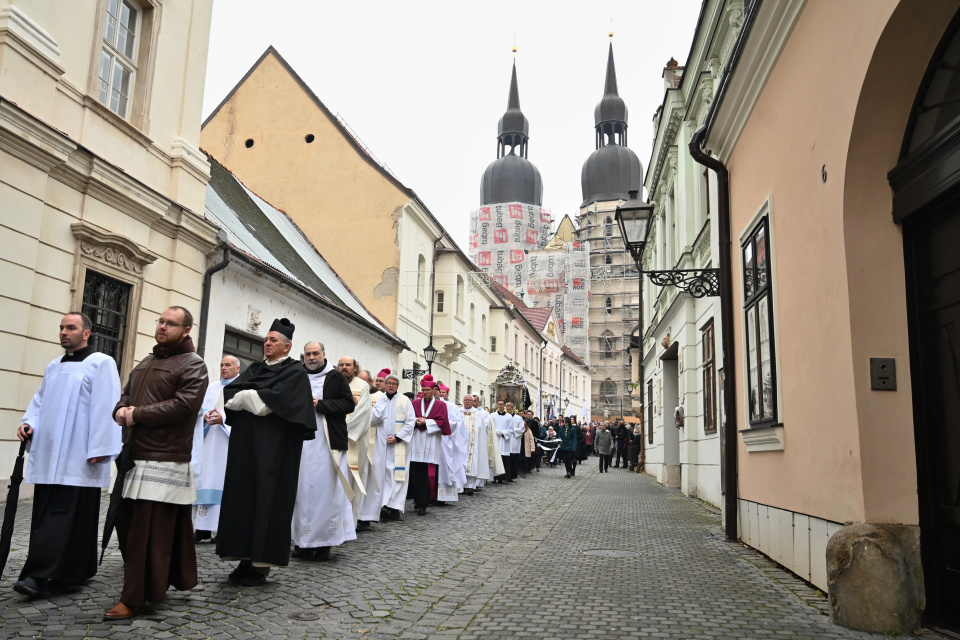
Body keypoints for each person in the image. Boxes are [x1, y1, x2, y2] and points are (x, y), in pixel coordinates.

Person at [108, 306, 208, 620]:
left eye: (171, 323)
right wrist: (120, 410)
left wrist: (135, 414)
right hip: (134, 455)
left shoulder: (194, 365)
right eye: (161, 321)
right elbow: (126, 395)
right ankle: (158, 582)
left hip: (164, 458)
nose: (163, 327)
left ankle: (135, 598)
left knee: (148, 533)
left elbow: (183, 405)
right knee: (128, 526)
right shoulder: (148, 361)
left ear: (187, 329)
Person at [13, 312, 122, 598]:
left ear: (87, 333)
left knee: (69, 516)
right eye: (62, 327)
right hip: (50, 455)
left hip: (80, 457)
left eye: (71, 327)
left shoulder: (101, 363)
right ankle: (71, 572)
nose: (64, 332)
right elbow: (39, 401)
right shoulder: (53, 366)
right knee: (52, 514)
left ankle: (38, 574)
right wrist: (29, 423)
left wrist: (101, 448)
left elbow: (106, 406)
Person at [216, 318, 315, 586]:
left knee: (267, 500)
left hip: (274, 453)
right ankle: (243, 558)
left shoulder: (295, 373)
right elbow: (231, 396)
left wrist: (249, 397)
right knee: (244, 499)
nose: (267, 343)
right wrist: (254, 396)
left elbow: (266, 405)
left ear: (287, 346)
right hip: (245, 449)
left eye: (273, 340)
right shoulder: (256, 368)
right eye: (266, 340)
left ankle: (261, 566)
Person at [291, 341, 356, 559]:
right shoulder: (296, 374)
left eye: (315, 353)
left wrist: (321, 405)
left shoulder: (335, 377)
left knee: (326, 491)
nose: (311, 357)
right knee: (302, 491)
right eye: (308, 354)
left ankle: (325, 542)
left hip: (328, 443)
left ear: (324, 354)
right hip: (301, 442)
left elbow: (348, 404)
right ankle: (302, 541)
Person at [193, 355, 241, 543]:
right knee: (205, 480)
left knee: (223, 482)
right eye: (221, 364)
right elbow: (201, 408)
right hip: (208, 439)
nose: (223, 368)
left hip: (227, 443)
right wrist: (204, 416)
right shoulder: (212, 387)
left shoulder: (242, 388)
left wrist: (224, 421)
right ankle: (203, 528)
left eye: (228, 365)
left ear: (237, 369)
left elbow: (244, 416)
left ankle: (222, 529)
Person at [400, 375, 450, 515]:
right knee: (415, 470)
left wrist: (426, 422)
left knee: (427, 472)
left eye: (427, 389)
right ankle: (417, 500)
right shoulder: (415, 403)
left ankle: (424, 502)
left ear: (434, 390)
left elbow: (443, 421)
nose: (425, 392)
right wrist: (417, 421)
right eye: (423, 389)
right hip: (416, 440)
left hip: (430, 440)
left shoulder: (441, 405)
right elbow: (408, 418)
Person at [368, 374, 415, 520]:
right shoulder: (377, 399)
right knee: (381, 474)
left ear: (397, 386)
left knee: (398, 475)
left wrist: (397, 437)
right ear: (385, 384)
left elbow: (410, 421)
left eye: (394, 383)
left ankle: (395, 507)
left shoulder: (405, 400)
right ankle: (382, 505)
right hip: (380, 444)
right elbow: (371, 419)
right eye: (388, 383)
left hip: (398, 445)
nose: (391, 385)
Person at [339, 356, 372, 526]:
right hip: (333, 438)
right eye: (341, 365)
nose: (344, 367)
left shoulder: (362, 386)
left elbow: (363, 413)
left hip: (354, 439)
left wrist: (341, 429)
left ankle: (349, 523)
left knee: (352, 478)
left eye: (348, 365)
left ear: (355, 368)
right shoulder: (332, 382)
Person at [358, 367, 392, 525]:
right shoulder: (353, 392)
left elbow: (376, 416)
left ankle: (365, 517)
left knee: (372, 481)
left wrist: (356, 414)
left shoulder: (381, 397)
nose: (361, 384)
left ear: (370, 382)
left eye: (364, 381)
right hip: (356, 443)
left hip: (374, 445)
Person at [436, 382, 465, 504]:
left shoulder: (451, 406)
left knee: (444, 468)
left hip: (445, 440)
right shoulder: (424, 404)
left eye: (440, 391)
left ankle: (443, 496)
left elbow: (457, 423)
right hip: (429, 440)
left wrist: (437, 424)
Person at [490, 400, 513, 483]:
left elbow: (511, 429)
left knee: (504, 459)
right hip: (495, 439)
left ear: (504, 406)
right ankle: (494, 477)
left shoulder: (509, 416)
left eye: (502, 404)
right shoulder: (492, 415)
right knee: (495, 458)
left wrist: (503, 433)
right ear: (497, 405)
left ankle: (502, 478)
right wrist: (494, 432)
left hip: (504, 440)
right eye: (499, 404)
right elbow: (489, 427)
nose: (500, 406)